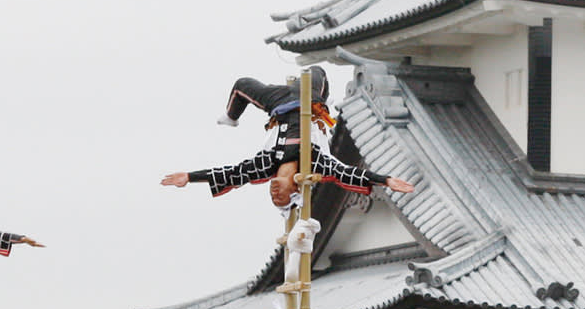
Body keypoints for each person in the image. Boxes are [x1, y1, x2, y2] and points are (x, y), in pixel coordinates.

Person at [162, 69, 415, 207]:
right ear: (296, 187)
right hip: (310, 100)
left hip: (279, 104)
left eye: (273, 198)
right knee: (317, 72)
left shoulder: (265, 165)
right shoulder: (313, 164)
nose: (274, 193)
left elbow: (230, 173)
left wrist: (190, 177)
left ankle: (231, 117)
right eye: (280, 197)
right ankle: (326, 102)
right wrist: (386, 180)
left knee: (242, 84)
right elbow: (348, 173)